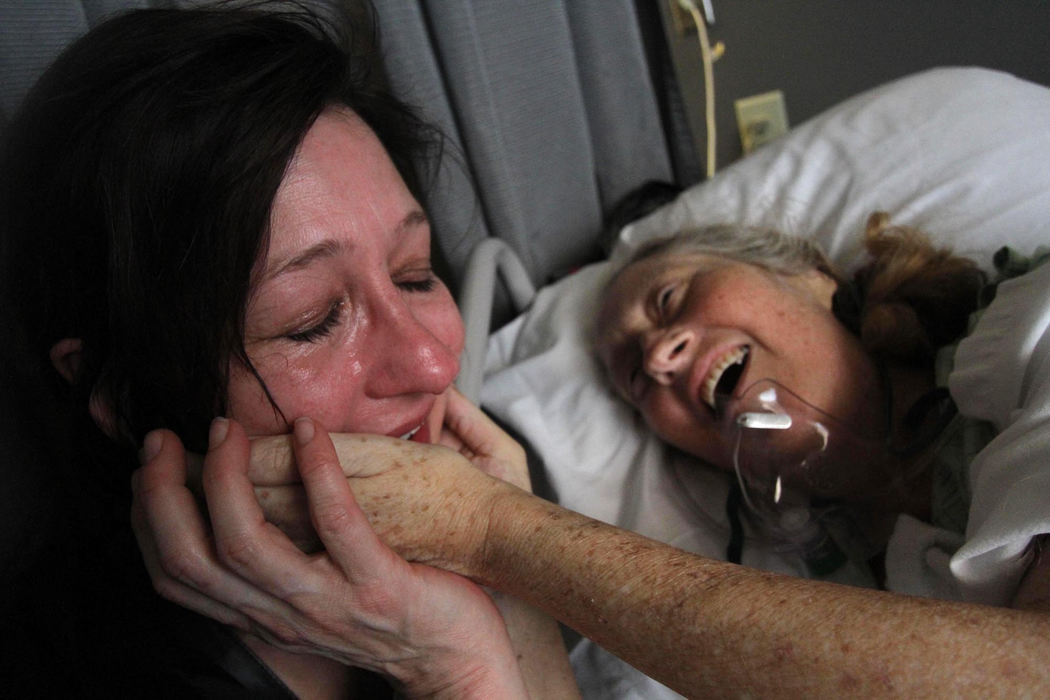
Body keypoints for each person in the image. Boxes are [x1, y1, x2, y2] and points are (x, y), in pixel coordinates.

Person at [135, 215, 1050, 696]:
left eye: (672, 299)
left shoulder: (1028, 333)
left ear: (804, 275)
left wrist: (493, 530)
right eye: (631, 379)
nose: (656, 358)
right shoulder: (850, 583)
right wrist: (492, 617)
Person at [0, 4, 578, 697]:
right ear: (119, 393)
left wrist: (508, 566)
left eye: (415, 275)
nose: (432, 365)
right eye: (310, 321)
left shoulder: (492, 477)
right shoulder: (75, 670)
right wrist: (458, 671)